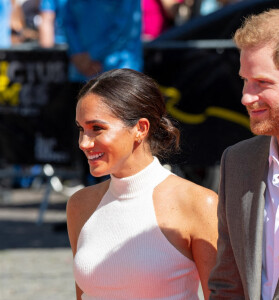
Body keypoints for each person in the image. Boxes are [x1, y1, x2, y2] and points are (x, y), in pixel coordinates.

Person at [67, 68, 218, 300]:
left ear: (140, 128)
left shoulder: (199, 203)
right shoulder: (81, 204)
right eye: (81, 129)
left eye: (97, 128)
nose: (84, 143)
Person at [208, 8, 279, 299]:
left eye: (262, 82)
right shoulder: (237, 162)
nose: (246, 96)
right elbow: (227, 283)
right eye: (245, 80)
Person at [63, 0, 143, 83]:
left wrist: (90, 56)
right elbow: (68, 21)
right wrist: (77, 53)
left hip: (119, 69)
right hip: (82, 70)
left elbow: (125, 27)